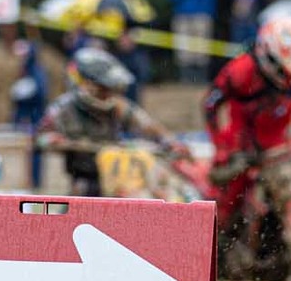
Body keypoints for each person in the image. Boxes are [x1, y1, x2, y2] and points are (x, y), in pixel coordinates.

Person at [203, 13, 291, 236]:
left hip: (283, 146)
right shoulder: (240, 72)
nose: (290, 77)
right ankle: (216, 251)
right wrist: (221, 146)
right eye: (284, 70)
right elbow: (210, 106)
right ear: (267, 55)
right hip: (242, 147)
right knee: (223, 208)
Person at [37, 48, 184, 197]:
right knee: (80, 202)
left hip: (117, 173)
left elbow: (147, 125)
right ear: (86, 84)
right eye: (102, 89)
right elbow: (40, 137)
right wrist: (51, 140)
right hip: (85, 176)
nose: (107, 94)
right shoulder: (63, 109)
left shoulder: (118, 106)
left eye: (109, 89)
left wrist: (170, 141)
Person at [169, 0, 217, 83]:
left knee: (201, 48)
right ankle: (187, 78)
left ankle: (201, 78)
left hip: (201, 16)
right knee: (184, 48)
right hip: (182, 16)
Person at [10, 39, 50, 188]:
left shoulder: (36, 71)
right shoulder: (26, 68)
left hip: (35, 116)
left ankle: (36, 181)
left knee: (35, 149)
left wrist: (26, 92)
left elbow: (40, 92)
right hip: (29, 115)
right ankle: (32, 181)